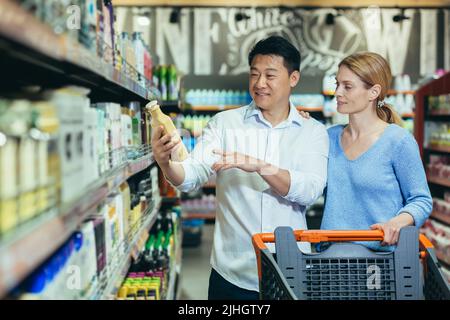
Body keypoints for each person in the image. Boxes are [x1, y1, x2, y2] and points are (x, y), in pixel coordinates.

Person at [151, 36, 329, 299]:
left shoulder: (313, 131)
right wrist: (166, 162)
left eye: (270, 75)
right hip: (232, 274)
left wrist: (259, 166)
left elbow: (310, 191)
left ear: (293, 78)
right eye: (254, 74)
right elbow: (190, 175)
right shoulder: (224, 124)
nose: (259, 84)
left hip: (291, 270)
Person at [319, 52, 432, 251]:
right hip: (332, 260)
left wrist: (397, 222)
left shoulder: (398, 140)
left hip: (381, 264)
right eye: (337, 84)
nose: (337, 92)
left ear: (373, 92)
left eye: (347, 86)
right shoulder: (328, 138)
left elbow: (421, 200)